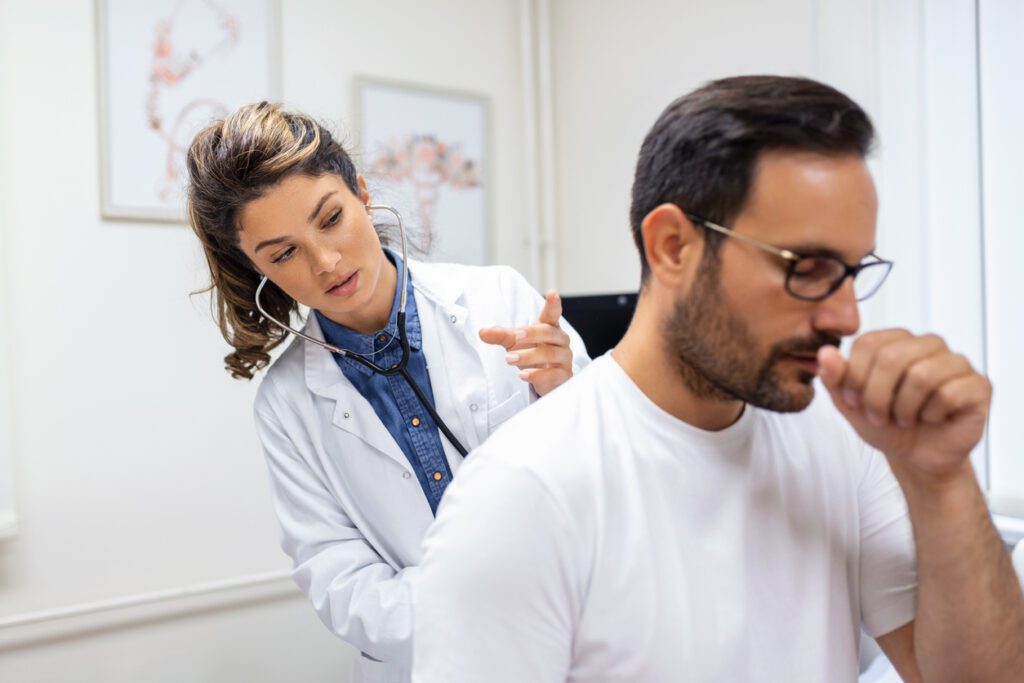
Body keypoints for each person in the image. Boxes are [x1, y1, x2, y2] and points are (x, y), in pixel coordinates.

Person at [412, 76, 1024, 682]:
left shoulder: (842, 436)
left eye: (850, 272)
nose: (846, 317)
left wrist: (943, 480)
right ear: (673, 246)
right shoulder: (523, 496)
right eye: (806, 268)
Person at [185, 102, 590, 682]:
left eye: (330, 219)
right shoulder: (286, 405)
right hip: (430, 661)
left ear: (363, 194)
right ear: (252, 266)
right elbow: (338, 577)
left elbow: (613, 473)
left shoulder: (501, 299)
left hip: (575, 643)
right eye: (283, 253)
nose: (326, 262)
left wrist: (565, 391)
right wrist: (477, 607)